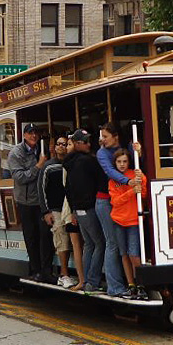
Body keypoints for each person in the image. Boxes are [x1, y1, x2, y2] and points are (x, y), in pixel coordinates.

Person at [6, 123, 54, 282]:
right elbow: (20, 177)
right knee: (31, 236)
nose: (34, 136)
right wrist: (38, 166)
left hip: (41, 200)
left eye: (36, 133)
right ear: (24, 135)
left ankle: (47, 270)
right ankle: (36, 270)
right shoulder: (15, 153)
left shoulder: (42, 148)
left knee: (45, 234)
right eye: (30, 133)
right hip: (26, 202)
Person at [62, 129, 103, 292]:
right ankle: (92, 281)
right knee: (100, 243)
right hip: (89, 208)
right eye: (85, 142)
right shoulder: (87, 161)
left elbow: (68, 189)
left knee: (89, 245)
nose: (89, 144)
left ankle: (85, 280)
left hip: (78, 210)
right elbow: (100, 181)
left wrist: (73, 210)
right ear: (78, 144)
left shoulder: (70, 163)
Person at [95, 122, 131, 297]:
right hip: (105, 201)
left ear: (115, 137)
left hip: (122, 202)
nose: (102, 140)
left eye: (105, 136)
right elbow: (110, 171)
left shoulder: (124, 149)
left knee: (121, 245)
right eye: (101, 136)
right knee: (112, 244)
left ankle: (126, 282)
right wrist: (128, 182)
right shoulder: (102, 153)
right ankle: (114, 287)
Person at [109, 144, 149, 299]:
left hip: (133, 220)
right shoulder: (114, 180)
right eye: (119, 161)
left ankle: (142, 284)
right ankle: (131, 284)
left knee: (134, 253)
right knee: (124, 253)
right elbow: (115, 201)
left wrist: (142, 179)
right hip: (118, 220)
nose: (122, 164)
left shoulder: (135, 174)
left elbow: (144, 194)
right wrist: (130, 191)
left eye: (124, 161)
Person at [40, 135, 78, 289]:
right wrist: (45, 211)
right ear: (54, 148)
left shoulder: (72, 163)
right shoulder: (48, 166)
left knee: (74, 240)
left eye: (65, 144)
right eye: (59, 144)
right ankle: (64, 274)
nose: (62, 147)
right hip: (55, 209)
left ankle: (75, 272)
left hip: (70, 207)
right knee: (62, 240)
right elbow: (41, 189)